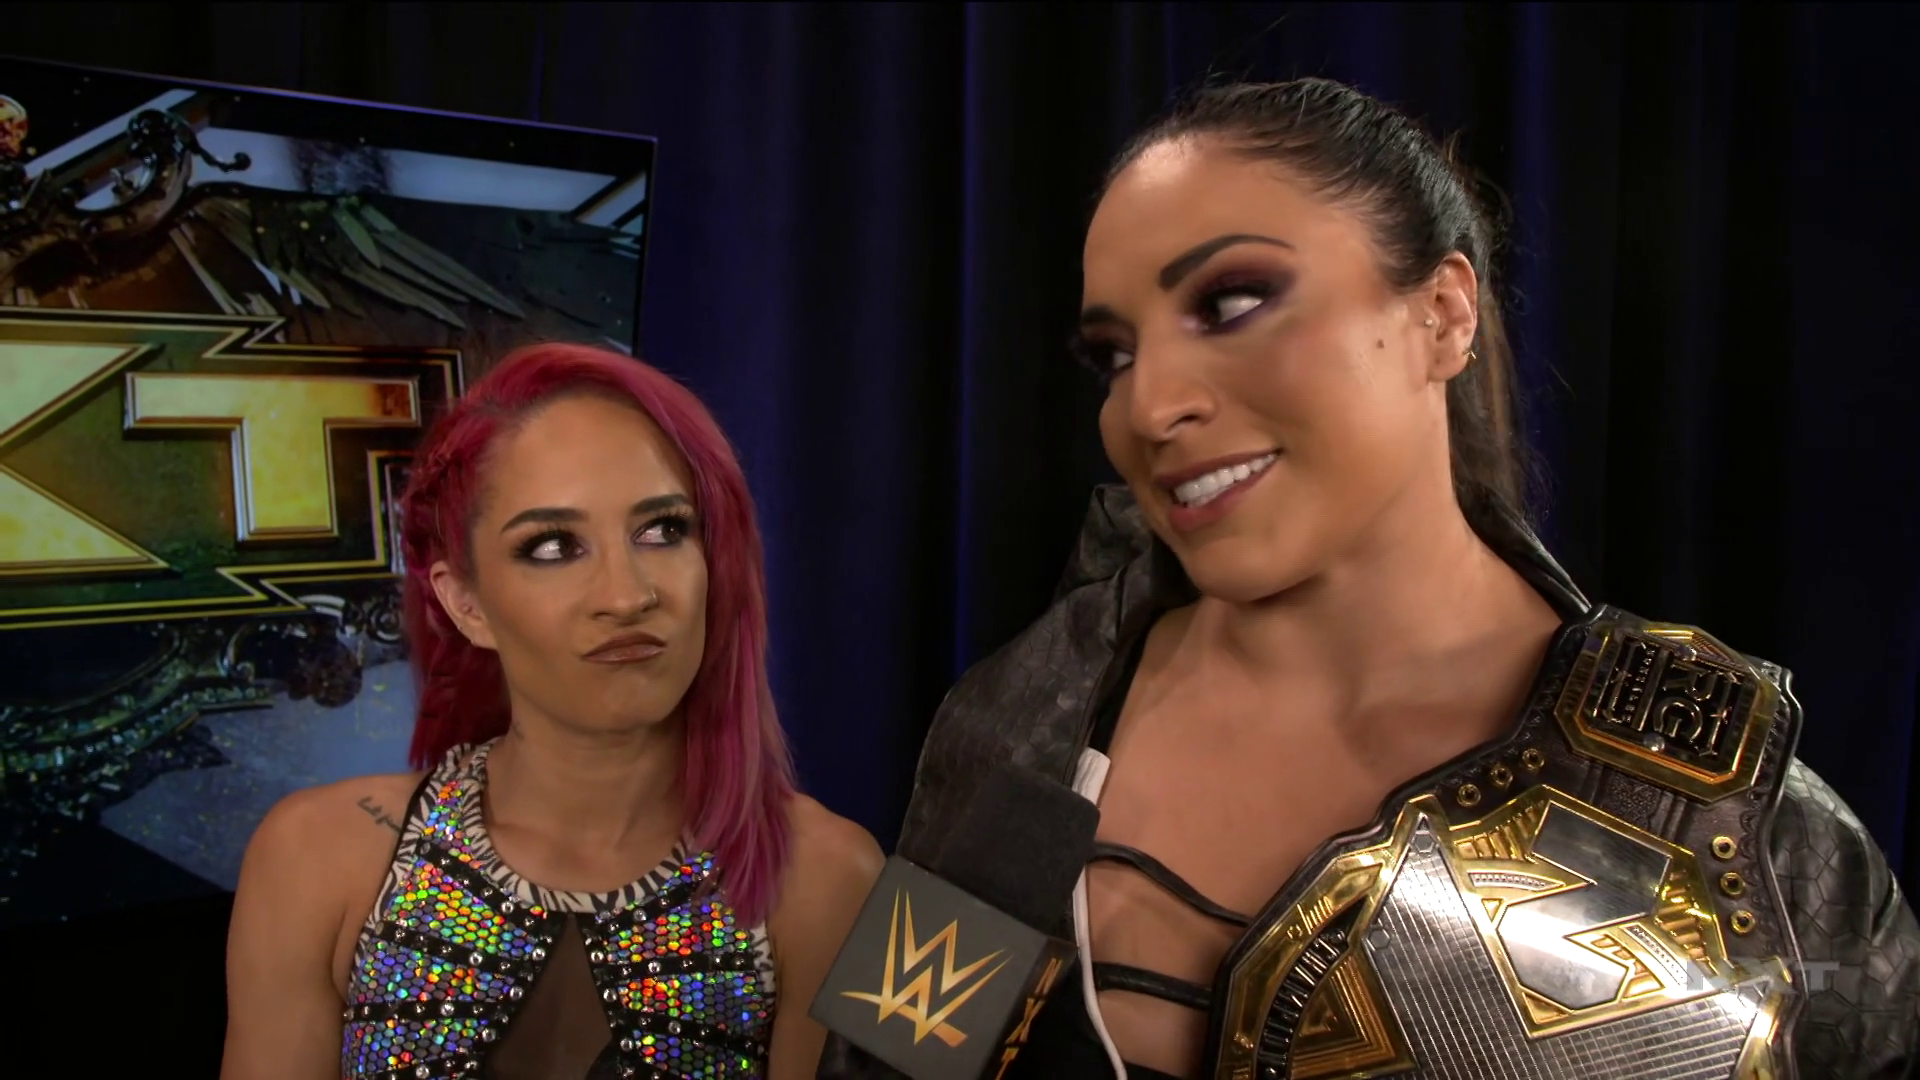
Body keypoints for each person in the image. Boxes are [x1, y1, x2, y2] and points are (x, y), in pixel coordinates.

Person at [820, 79, 1920, 1079]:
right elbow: (894, 1059)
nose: (1148, 407)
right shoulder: (1016, 725)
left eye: (1232, 303)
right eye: (1115, 354)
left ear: (1443, 314)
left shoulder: (1743, 832)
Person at [221, 343, 884, 1080]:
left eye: (663, 530)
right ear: (465, 602)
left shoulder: (830, 877)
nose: (627, 596)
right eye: (552, 546)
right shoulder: (317, 857)